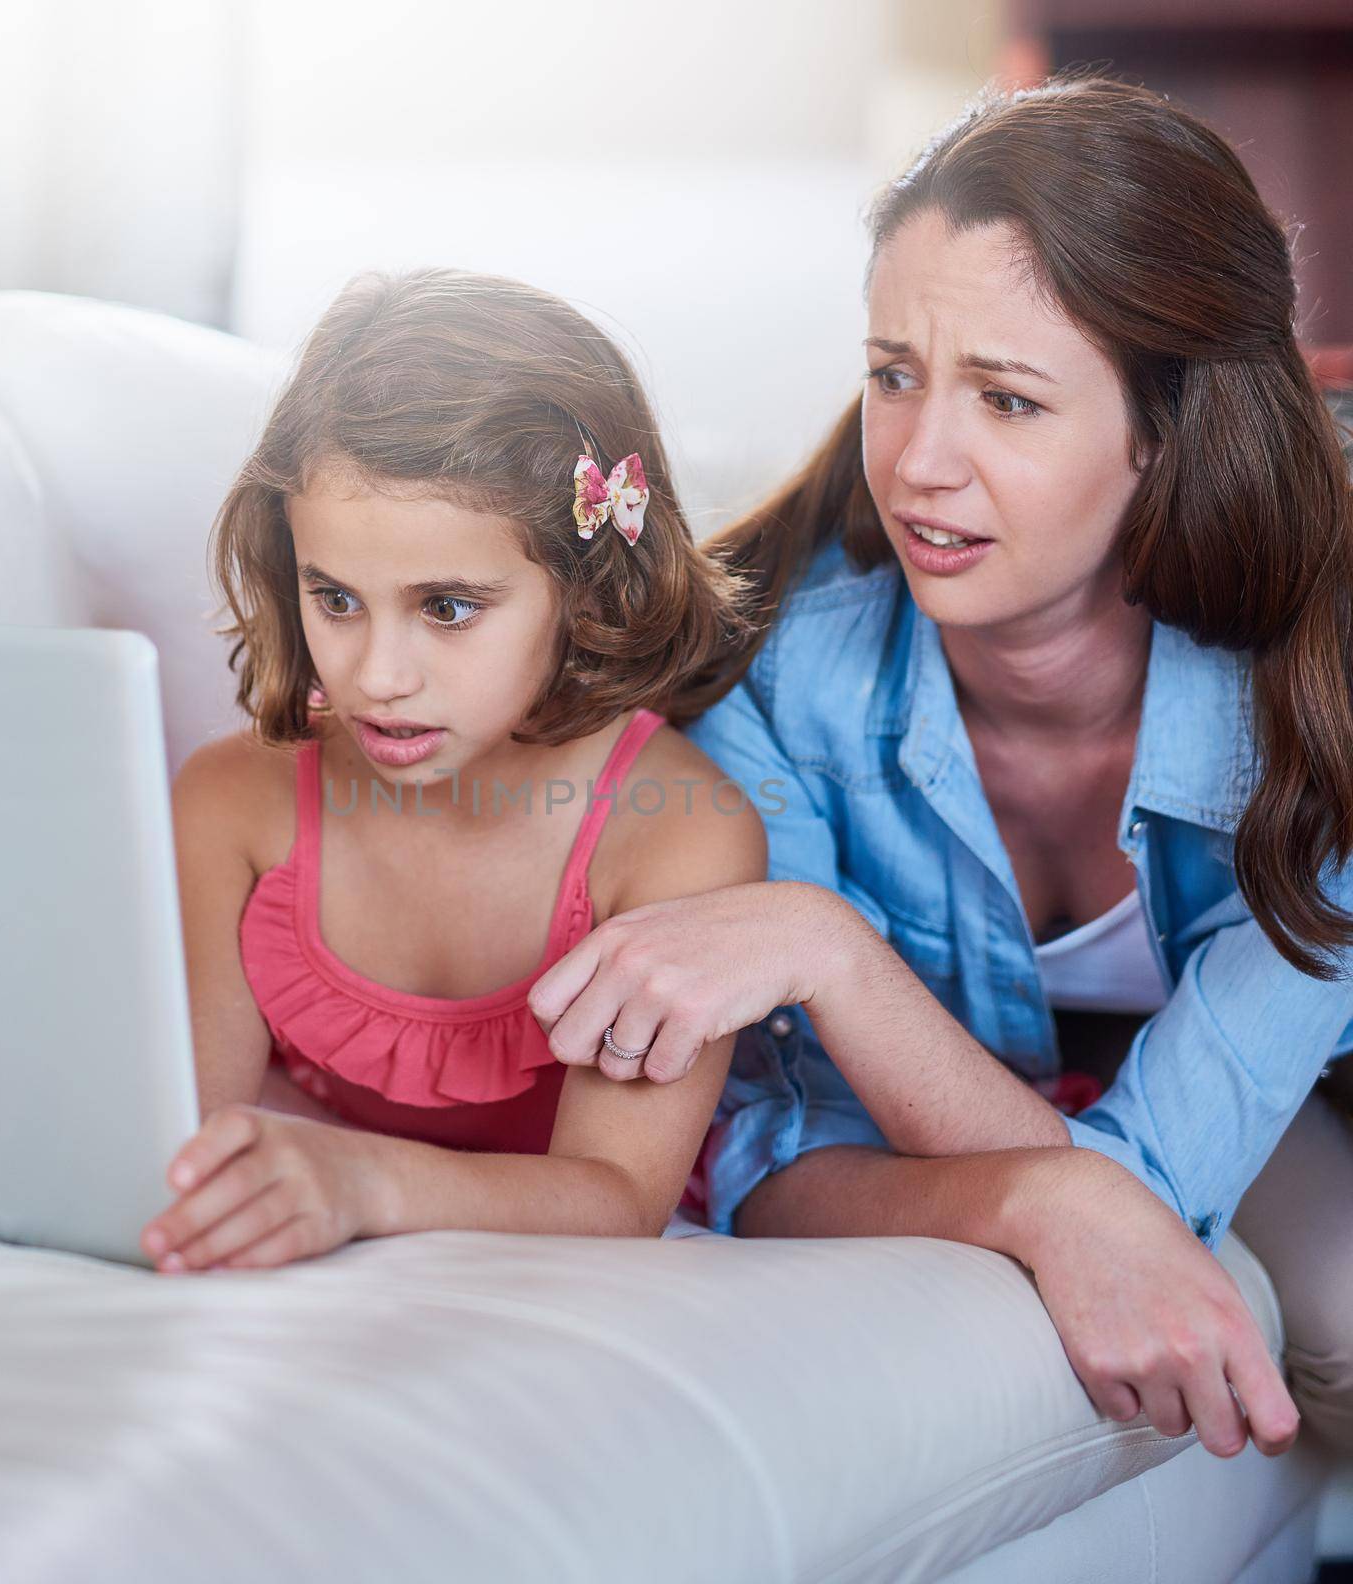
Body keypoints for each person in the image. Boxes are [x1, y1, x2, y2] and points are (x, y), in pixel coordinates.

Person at [529, 76, 1353, 1460]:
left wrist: (826, 949)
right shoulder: (779, 677)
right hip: (1004, 1090)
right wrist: (1041, 1202)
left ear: (1165, 434)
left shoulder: (1319, 702)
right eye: (893, 375)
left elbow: (1158, 1188)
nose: (917, 464)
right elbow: (752, 1148)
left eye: (1010, 402)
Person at [0, 267, 767, 1270]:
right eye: (334, 598)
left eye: (448, 607)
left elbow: (618, 1197)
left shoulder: (680, 836)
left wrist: (365, 1180)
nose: (375, 675)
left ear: (589, 589)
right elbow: (167, 1151)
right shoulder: (235, 804)